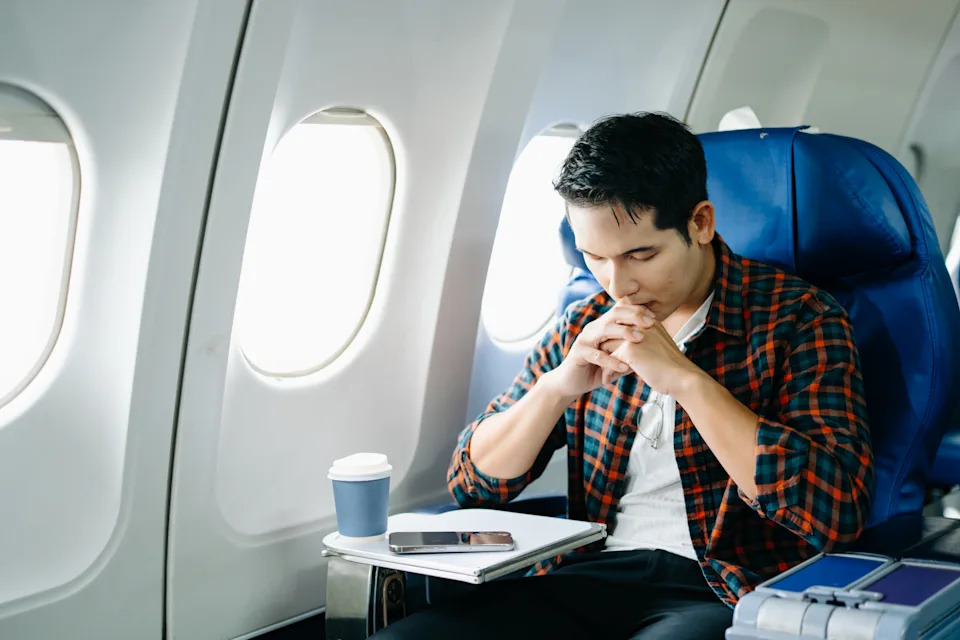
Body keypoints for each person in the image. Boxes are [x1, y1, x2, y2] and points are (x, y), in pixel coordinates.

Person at [372, 112, 874, 639]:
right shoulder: (584, 323)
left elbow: (834, 510)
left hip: (721, 588)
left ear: (701, 223)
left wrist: (685, 380)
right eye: (595, 258)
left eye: (641, 254)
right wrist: (557, 388)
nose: (619, 284)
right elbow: (472, 485)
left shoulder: (800, 319)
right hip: (591, 575)